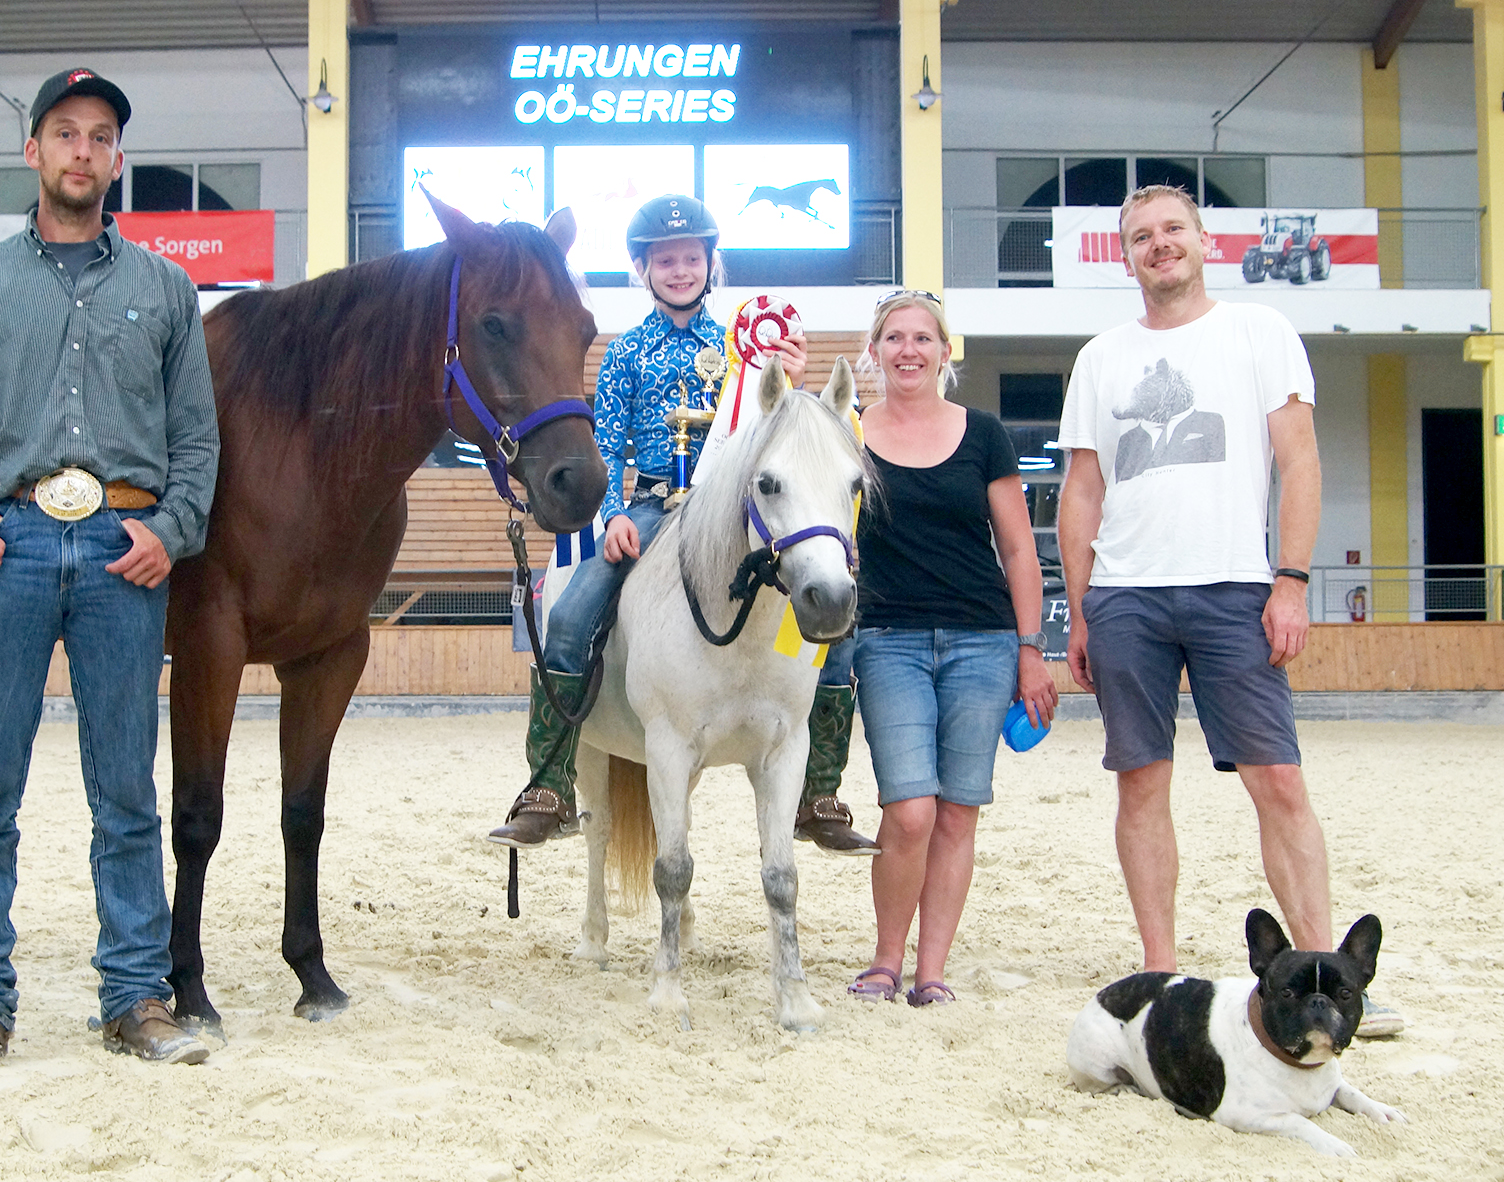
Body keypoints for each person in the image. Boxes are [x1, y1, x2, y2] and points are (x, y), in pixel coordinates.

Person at [0, 68, 221, 1074]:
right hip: (12, 549)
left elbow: (198, 443)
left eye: (101, 136)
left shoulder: (166, 290)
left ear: (117, 161)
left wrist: (173, 527)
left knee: (125, 790)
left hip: (127, 553)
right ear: (32, 151)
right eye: (65, 133)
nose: (83, 150)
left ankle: (135, 998)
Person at [1055, 184, 1403, 1037]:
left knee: (1277, 781)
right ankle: (1161, 974)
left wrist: (1290, 579)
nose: (1159, 244)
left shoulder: (1260, 332)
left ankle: (1327, 974)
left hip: (1236, 588)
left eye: (1173, 229)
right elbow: (1083, 488)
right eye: (1141, 236)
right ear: (1126, 254)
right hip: (1126, 594)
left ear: (1204, 241)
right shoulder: (1101, 356)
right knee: (1140, 786)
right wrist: (1081, 607)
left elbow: (1301, 460)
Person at [487, 194, 877, 854]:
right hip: (655, 505)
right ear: (643, 268)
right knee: (571, 617)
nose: (679, 270)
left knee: (828, 628)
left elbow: (782, 437)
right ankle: (549, 787)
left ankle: (818, 792)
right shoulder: (624, 353)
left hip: (739, 512)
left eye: (691, 258)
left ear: (709, 263)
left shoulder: (747, 349)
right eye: (664, 260)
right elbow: (605, 445)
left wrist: (798, 377)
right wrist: (611, 518)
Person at [844, 290, 1058, 1006]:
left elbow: (1020, 551)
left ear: (944, 351)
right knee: (910, 811)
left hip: (984, 640)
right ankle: (884, 959)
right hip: (886, 639)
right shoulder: (845, 430)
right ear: (873, 352)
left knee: (958, 812)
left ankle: (930, 970)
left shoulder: (985, 434)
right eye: (894, 338)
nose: (909, 350)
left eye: (923, 338)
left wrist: (1032, 648)